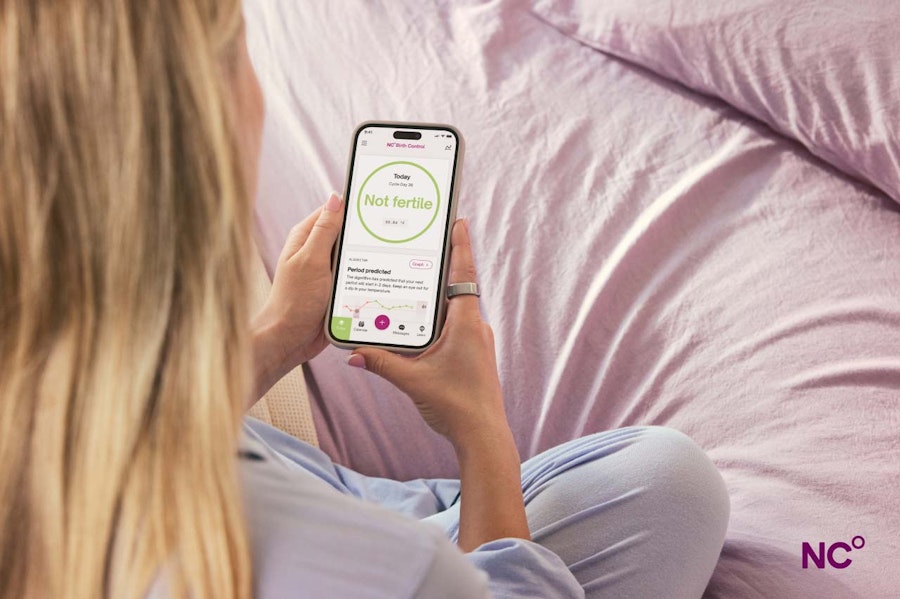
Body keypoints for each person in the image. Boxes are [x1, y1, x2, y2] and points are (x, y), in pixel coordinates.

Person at [0, 1, 730, 598]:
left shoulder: (49, 391)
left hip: (318, 497)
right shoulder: (387, 572)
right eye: (239, 43)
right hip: (383, 556)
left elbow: (132, 435)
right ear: (208, 128)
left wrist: (278, 338)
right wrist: (480, 429)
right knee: (670, 499)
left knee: (666, 483)